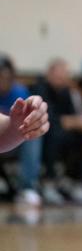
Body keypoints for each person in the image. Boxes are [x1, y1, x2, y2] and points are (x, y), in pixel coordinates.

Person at [33, 58, 82, 204]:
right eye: (59, 73)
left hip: (62, 132)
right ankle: (48, 183)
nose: (63, 77)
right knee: (52, 135)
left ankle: (76, 183)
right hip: (43, 133)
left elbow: (73, 116)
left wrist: (81, 123)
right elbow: (48, 118)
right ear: (49, 73)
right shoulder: (40, 89)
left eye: (65, 74)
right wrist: (76, 122)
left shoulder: (66, 92)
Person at [0, 55, 47, 205]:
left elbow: (20, 123)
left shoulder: (19, 91)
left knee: (31, 133)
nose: (3, 81)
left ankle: (27, 187)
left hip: (14, 143)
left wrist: (32, 121)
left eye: (6, 77)